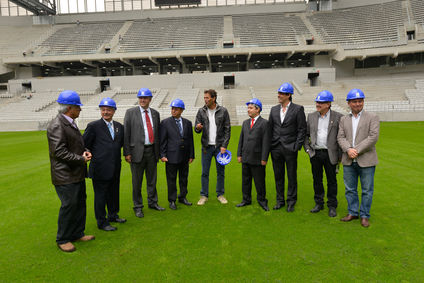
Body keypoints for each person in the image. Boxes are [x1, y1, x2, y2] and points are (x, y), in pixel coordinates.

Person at [47, 90, 94, 253]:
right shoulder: (56, 125)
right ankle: (63, 239)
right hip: (65, 176)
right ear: (69, 108)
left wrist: (85, 150)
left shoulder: (70, 122)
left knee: (79, 204)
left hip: (76, 174)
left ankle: (77, 233)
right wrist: (81, 159)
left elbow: (75, 145)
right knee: (69, 206)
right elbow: (59, 152)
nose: (80, 110)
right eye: (78, 107)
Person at [337, 89, 380, 227]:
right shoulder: (343, 119)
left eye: (360, 101)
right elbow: (340, 137)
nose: (357, 104)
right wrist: (348, 149)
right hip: (349, 159)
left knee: (367, 190)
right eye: (354, 101)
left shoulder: (372, 117)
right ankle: (353, 212)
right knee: (350, 189)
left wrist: (356, 150)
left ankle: (365, 215)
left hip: (366, 159)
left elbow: (373, 137)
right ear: (348, 103)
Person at [83, 98, 126, 232]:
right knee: (101, 196)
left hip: (115, 167)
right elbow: (84, 145)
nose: (105, 112)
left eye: (108, 110)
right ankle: (102, 221)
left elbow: (121, 144)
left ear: (114, 111)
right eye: (103, 110)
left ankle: (113, 215)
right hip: (100, 168)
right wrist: (87, 153)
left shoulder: (119, 126)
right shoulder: (93, 126)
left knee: (114, 193)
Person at [123, 88, 164, 218]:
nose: (142, 100)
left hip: (152, 151)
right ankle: (138, 206)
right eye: (140, 98)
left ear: (150, 99)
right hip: (136, 152)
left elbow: (158, 134)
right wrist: (127, 152)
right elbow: (126, 134)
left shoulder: (155, 114)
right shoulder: (130, 113)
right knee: (137, 182)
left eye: (145, 98)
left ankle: (153, 202)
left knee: (152, 180)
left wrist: (159, 152)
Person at [268, 82, 306, 212]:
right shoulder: (273, 110)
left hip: (290, 148)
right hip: (276, 148)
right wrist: (271, 146)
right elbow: (270, 129)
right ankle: (280, 200)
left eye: (281, 93)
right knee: (278, 176)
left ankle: (291, 201)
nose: (279, 95)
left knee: (291, 176)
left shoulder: (298, 109)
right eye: (278, 93)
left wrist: (296, 146)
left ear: (289, 95)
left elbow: (302, 129)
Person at [304, 90, 343, 217]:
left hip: (331, 154)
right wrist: (309, 151)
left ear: (328, 104)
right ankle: (319, 203)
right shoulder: (311, 116)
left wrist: (340, 156)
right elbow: (306, 135)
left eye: (320, 102)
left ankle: (332, 205)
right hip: (315, 154)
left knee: (332, 181)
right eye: (317, 101)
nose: (317, 104)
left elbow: (342, 136)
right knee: (317, 180)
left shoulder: (339, 117)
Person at [194, 89, 231, 205]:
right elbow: (196, 128)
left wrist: (224, 145)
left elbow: (227, 130)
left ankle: (220, 194)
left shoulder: (223, 111)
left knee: (220, 172)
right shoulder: (201, 111)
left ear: (213, 98)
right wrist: (197, 128)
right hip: (206, 147)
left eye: (207, 98)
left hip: (219, 148)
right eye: (204, 98)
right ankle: (204, 196)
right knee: (205, 172)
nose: (205, 100)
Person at [160, 99, 195, 210]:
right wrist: (162, 154)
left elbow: (190, 140)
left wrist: (191, 155)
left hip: (184, 156)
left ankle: (183, 197)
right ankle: (172, 200)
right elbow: (163, 140)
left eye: (176, 109)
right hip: (171, 157)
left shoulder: (188, 123)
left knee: (184, 178)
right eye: (172, 108)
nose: (173, 110)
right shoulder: (165, 123)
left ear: (181, 110)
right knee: (171, 179)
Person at [236, 98, 270, 211]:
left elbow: (266, 142)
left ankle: (262, 200)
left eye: (250, 108)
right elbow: (241, 139)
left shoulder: (264, 123)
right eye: (248, 108)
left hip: (257, 158)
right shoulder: (245, 123)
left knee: (259, 181)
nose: (248, 110)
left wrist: (264, 158)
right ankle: (246, 199)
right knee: (245, 181)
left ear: (258, 109)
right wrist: (239, 154)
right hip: (245, 157)